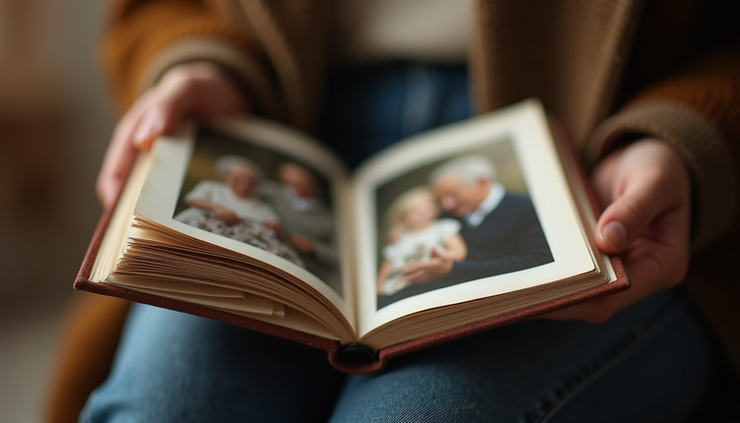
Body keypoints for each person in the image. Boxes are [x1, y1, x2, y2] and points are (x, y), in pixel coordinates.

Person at [84, 0, 739, 421]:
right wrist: (200, 61)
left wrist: (686, 137)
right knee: (166, 408)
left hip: (590, 135)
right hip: (292, 114)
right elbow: (153, 9)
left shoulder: (499, 213)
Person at [396, 155, 553, 292]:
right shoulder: (446, 216)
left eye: (453, 194)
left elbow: (537, 259)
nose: (446, 204)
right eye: (441, 199)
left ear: (482, 182)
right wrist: (402, 232)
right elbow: (418, 224)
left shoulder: (527, 207)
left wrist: (453, 269)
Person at [175, 155, 304, 267]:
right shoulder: (212, 187)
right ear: (226, 177)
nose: (244, 185)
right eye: (237, 179)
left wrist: (274, 227)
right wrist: (216, 207)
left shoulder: (261, 205)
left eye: (250, 182)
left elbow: (278, 232)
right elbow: (192, 200)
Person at [260, 161, 341, 294]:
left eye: (303, 184)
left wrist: (316, 248)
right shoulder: (271, 193)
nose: (295, 189)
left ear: (315, 185)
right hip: (270, 255)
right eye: (290, 183)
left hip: (307, 268)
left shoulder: (329, 218)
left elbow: (342, 255)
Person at [376, 185, 467, 298]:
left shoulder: (443, 228)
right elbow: (387, 265)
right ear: (404, 217)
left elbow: (459, 252)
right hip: (398, 288)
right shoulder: (400, 239)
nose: (424, 212)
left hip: (434, 282)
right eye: (418, 210)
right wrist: (379, 287)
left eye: (429, 207)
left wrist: (437, 258)